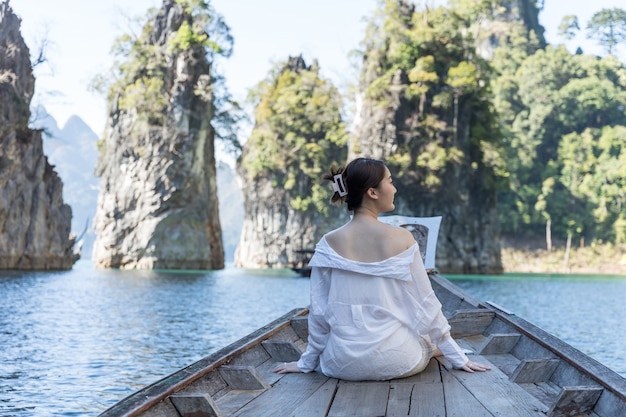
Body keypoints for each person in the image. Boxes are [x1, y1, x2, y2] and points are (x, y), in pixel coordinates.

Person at [273, 157, 490, 380]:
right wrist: (459, 359)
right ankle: (437, 350)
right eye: (390, 181)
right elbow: (427, 305)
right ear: (372, 192)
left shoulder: (328, 243)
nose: (394, 188)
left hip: (340, 365)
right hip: (397, 361)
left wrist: (306, 363)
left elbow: (318, 312)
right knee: (425, 335)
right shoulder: (404, 238)